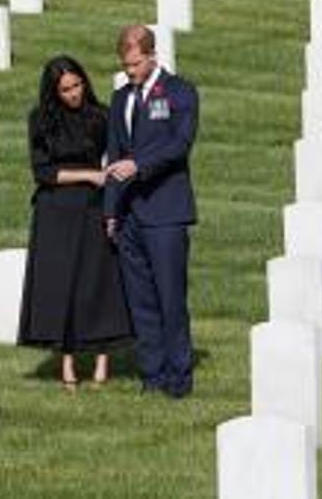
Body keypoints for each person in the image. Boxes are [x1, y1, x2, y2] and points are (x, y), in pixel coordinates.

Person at [18, 55, 133, 391]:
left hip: (92, 207)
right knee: (62, 284)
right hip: (55, 211)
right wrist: (89, 175)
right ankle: (66, 363)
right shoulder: (40, 120)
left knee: (98, 281)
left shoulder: (101, 116)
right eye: (65, 89)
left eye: (77, 85)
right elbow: (43, 172)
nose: (73, 93)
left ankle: (102, 362)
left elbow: (116, 157)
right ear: (54, 92)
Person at [104, 24, 199, 399]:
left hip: (166, 212)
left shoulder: (180, 92)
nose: (130, 72)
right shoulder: (120, 99)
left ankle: (179, 377)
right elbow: (113, 155)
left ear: (152, 55)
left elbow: (179, 144)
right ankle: (152, 374)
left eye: (136, 64)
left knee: (170, 297)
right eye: (126, 66)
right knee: (141, 300)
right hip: (130, 215)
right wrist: (111, 209)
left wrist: (139, 165)